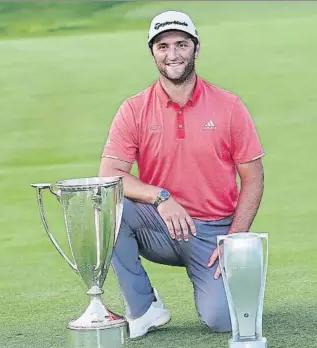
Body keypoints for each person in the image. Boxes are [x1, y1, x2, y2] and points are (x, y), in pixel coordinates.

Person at [99, 10, 265, 340]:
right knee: (109, 206)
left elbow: (254, 178)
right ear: (152, 53)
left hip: (214, 231)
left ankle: (241, 277)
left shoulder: (229, 106)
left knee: (222, 321)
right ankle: (144, 307)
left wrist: (235, 239)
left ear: (196, 48)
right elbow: (110, 174)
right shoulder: (134, 109)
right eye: (162, 46)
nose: (172, 54)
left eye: (181, 44)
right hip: (160, 226)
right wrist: (160, 197)